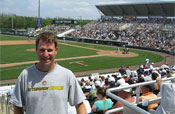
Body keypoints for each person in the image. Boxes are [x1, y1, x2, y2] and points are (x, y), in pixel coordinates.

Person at [10, 32, 86, 114]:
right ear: (36, 50)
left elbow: (80, 105)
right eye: (42, 50)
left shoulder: (67, 75)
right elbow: (17, 106)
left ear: (56, 51)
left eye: (49, 50)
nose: (46, 55)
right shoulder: (25, 75)